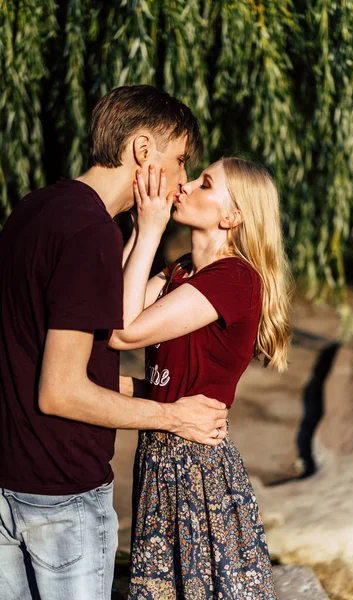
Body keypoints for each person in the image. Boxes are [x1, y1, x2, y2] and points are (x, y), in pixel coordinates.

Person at [0, 85, 228, 600]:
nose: (183, 180)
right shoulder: (89, 233)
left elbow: (46, 352)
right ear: (144, 152)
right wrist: (174, 417)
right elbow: (60, 391)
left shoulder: (34, 210)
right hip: (60, 494)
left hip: (8, 483)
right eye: (180, 160)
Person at [110, 156, 292, 599]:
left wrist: (152, 231)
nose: (186, 185)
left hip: (196, 468)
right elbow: (103, 309)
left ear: (231, 217)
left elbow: (122, 330)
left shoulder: (235, 280)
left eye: (205, 183)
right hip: (158, 457)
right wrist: (137, 232)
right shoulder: (181, 270)